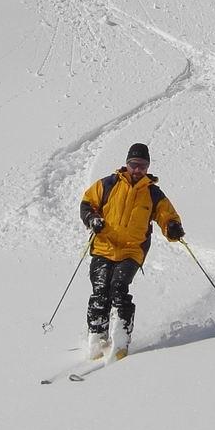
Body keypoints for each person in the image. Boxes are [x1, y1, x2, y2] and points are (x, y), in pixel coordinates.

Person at [79, 143, 185, 361]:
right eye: (134, 164)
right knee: (100, 290)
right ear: (127, 164)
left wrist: (172, 227)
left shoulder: (153, 193)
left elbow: (167, 215)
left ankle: (120, 339)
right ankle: (97, 339)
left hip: (131, 251)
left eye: (142, 166)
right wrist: (92, 219)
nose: (137, 170)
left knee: (118, 288)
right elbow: (87, 204)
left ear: (148, 167)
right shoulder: (108, 184)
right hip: (103, 246)